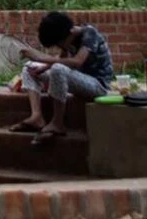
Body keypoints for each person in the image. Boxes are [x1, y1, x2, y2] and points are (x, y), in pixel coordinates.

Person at [10, 10, 111, 144]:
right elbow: (62, 58)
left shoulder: (89, 34)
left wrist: (41, 57)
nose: (59, 47)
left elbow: (77, 62)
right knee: (30, 67)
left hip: (97, 86)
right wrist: (43, 67)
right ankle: (36, 116)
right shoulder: (68, 36)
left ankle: (57, 123)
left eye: (58, 44)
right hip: (77, 79)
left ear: (67, 36)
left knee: (58, 69)